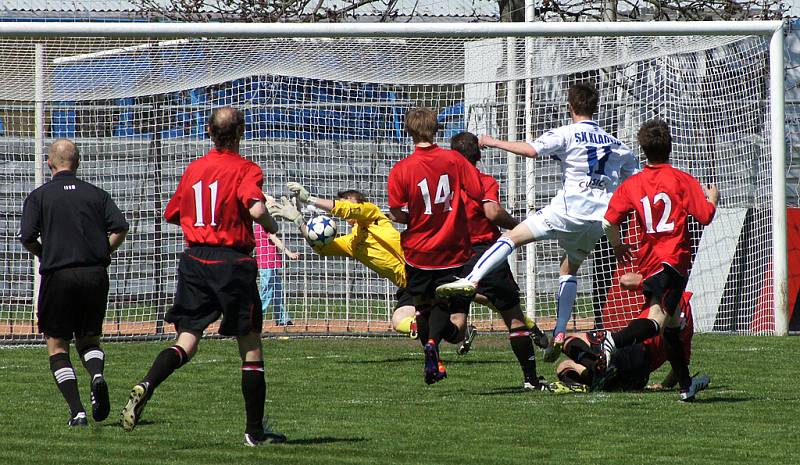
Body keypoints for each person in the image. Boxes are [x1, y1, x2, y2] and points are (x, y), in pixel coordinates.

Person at [437, 81, 638, 364]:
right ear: (597, 107)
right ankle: (559, 331)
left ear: (570, 107)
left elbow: (531, 150)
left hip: (566, 211)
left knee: (510, 238)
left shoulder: (567, 133)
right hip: (598, 220)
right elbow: (636, 178)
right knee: (569, 268)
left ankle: (471, 280)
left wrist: (494, 142)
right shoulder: (617, 144)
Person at [120, 107, 286, 445]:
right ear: (241, 132)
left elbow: (173, 213)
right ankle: (254, 432)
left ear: (209, 132)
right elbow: (255, 208)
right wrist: (273, 224)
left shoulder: (194, 168)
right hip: (231, 263)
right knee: (251, 346)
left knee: (187, 340)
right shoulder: (246, 169)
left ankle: (148, 383)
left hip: (195, 260)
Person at [598, 118, 718, 401]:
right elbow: (705, 216)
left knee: (673, 326)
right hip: (672, 262)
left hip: (650, 263)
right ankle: (613, 340)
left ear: (643, 150)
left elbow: (608, 222)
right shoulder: (681, 179)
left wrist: (617, 247)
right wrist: (712, 198)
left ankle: (687, 385)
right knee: (657, 322)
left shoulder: (633, 184)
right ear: (670, 147)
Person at [269, 187, 471, 346]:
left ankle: (447, 316)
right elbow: (322, 248)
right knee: (400, 320)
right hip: (409, 284)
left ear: (360, 204)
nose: (344, 207)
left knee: (462, 300)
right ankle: (441, 327)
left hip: (424, 270)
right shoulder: (352, 243)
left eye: (347, 201)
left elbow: (349, 209)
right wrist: (298, 220)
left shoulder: (372, 215)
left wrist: (310, 199)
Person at [19, 139, 129, 427]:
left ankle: (77, 411)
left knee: (57, 345)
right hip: (95, 275)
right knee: (89, 339)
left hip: (59, 276)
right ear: (77, 162)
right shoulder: (97, 195)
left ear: (49, 163)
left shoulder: (39, 196)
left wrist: (46, 253)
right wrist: (102, 251)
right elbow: (120, 227)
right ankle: (97, 375)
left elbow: (27, 236)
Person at [387, 107, 484, 385]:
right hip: (452, 247)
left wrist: (413, 217)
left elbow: (397, 212)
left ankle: (434, 356)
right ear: (436, 128)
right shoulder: (454, 160)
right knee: (443, 302)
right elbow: (477, 191)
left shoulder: (402, 169)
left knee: (423, 307)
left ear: (409, 131)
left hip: (418, 250)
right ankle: (432, 344)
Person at [450, 131, 549, 390]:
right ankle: (530, 380)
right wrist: (520, 226)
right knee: (514, 318)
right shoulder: (483, 180)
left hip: (451, 256)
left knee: (457, 323)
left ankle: (432, 349)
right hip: (485, 254)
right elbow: (492, 212)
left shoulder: (444, 186)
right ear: (478, 155)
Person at [551, 272, 697, 394]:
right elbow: (681, 362)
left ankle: (596, 367)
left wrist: (650, 276)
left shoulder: (661, 290)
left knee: (563, 340)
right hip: (639, 376)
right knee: (564, 365)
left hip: (633, 351)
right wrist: (666, 385)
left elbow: (626, 280)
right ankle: (597, 376)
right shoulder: (687, 313)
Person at [254, 224, 298, 326]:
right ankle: (255, 318)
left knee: (277, 291)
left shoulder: (264, 223)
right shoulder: (263, 224)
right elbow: (274, 239)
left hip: (272, 262)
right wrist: (289, 253)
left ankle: (282, 319)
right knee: (266, 292)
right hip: (266, 264)